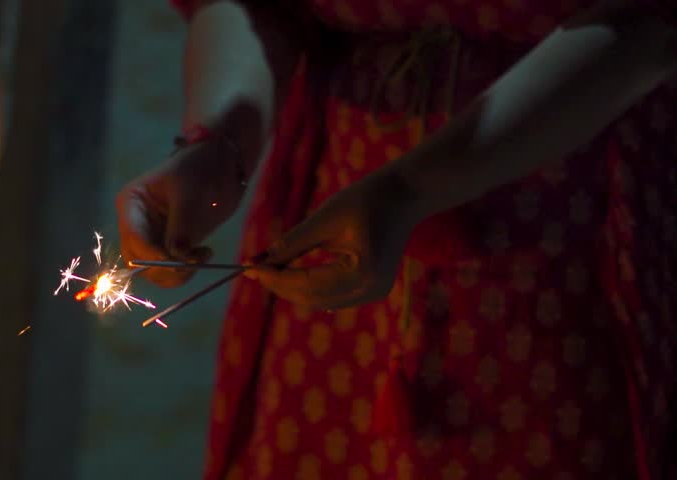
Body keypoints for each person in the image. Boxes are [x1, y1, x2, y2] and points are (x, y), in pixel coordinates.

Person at [116, 0, 677, 478]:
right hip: (327, 258)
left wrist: (411, 190)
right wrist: (216, 147)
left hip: (573, 234)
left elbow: (649, 19)